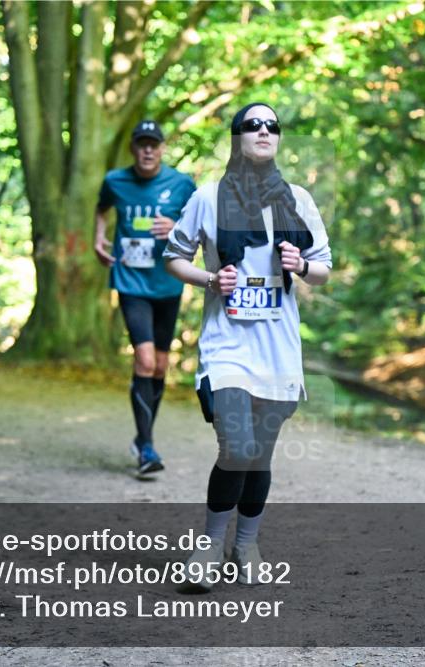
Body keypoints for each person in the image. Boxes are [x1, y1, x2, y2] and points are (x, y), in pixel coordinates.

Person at [163, 102, 332, 588]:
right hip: (227, 345)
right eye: (252, 124)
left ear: (278, 138)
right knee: (237, 447)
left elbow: (323, 269)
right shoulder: (208, 198)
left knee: (259, 455)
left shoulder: (298, 199)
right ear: (237, 137)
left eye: (271, 125)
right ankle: (210, 547)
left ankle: (246, 545)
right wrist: (210, 278)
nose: (263, 131)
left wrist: (301, 266)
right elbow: (174, 257)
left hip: (278, 348)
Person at [95, 120, 197, 477]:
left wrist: (177, 229)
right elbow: (101, 209)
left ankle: (142, 440)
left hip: (168, 284)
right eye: (142, 144)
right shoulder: (115, 181)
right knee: (145, 358)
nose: (148, 150)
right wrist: (98, 238)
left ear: (163, 148)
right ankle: (148, 446)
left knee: (160, 366)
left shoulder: (182, 184)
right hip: (131, 282)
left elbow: (200, 228)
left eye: (154, 144)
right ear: (133, 149)